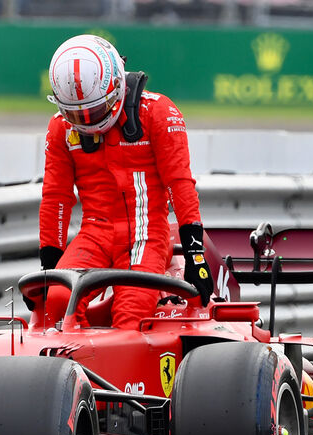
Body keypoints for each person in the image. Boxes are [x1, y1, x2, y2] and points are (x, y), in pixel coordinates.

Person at [38, 34, 214, 330]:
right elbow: (56, 196)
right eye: (76, 113)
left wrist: (195, 254)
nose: (86, 120)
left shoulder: (158, 112)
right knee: (56, 300)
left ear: (117, 86)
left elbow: (180, 183)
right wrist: (49, 266)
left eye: (93, 110)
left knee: (130, 315)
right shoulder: (60, 127)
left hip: (146, 234)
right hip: (95, 232)